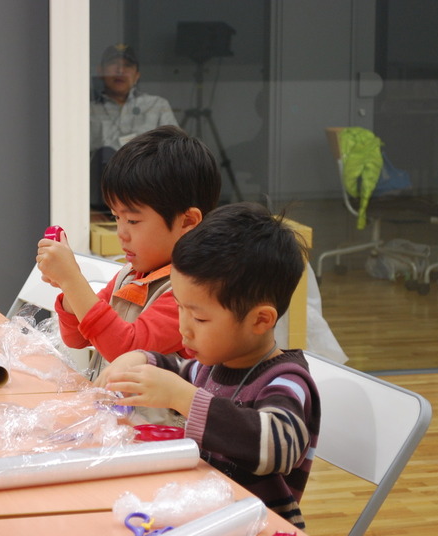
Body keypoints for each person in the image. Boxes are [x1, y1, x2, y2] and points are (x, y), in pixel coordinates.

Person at [93, 202, 321, 530]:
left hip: (255, 524)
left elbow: (278, 447)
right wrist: (141, 358)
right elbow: (177, 369)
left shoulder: (287, 381)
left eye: (199, 317)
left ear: (260, 320)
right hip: (204, 513)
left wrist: (183, 397)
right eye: (180, 308)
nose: (183, 328)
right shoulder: (213, 364)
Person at [36, 125, 221, 382]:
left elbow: (127, 350)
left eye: (133, 221)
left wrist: (72, 280)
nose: (121, 233)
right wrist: (68, 289)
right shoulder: (131, 275)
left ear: (187, 221)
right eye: (116, 217)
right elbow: (76, 337)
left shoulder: (190, 290)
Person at [90, 43, 179, 211]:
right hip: (101, 195)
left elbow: (177, 152)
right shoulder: (86, 109)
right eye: (113, 64)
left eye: (127, 65)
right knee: (105, 153)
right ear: (100, 71)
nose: (120, 71)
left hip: (148, 190)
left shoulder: (156, 105)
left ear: (137, 75)